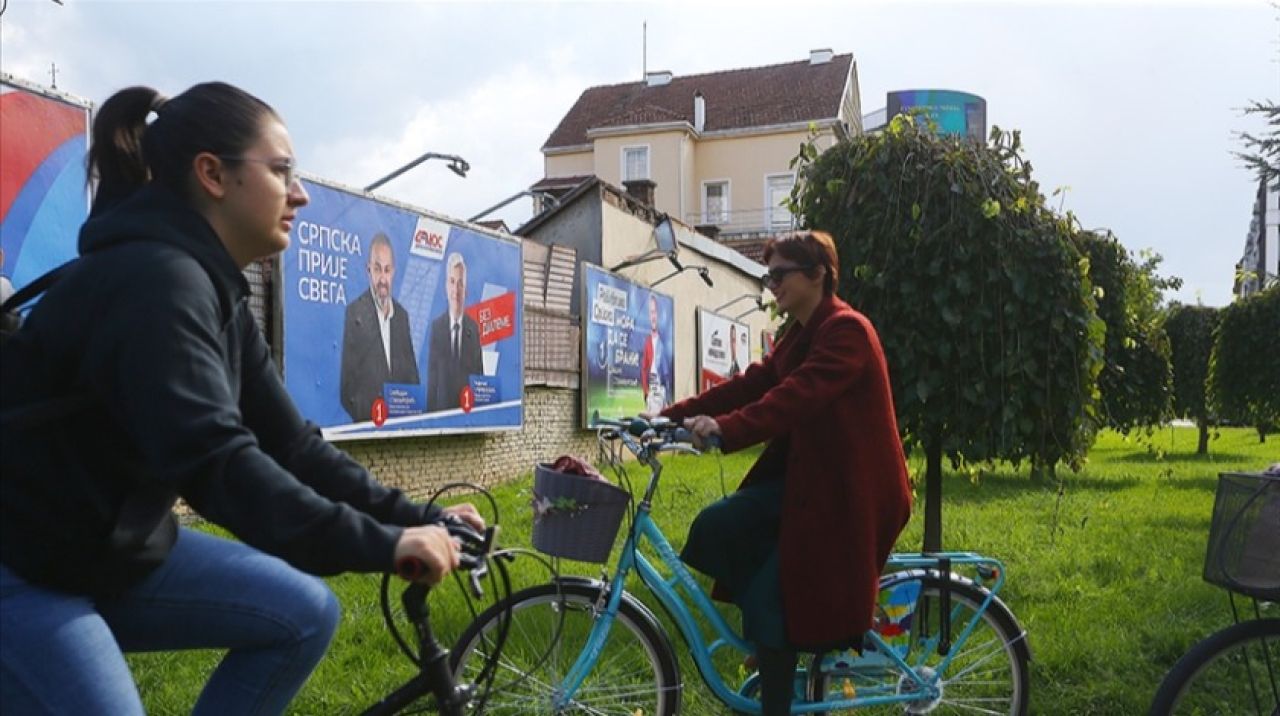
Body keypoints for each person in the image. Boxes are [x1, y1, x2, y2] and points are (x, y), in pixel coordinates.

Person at [0, 82, 482, 715]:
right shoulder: (155, 284)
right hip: (23, 570)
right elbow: (217, 465)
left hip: (101, 554)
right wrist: (379, 544)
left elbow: (291, 447)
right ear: (213, 175)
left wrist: (414, 515)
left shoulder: (211, 289)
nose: (300, 193)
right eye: (282, 170)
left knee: (301, 613)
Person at [660, 230, 913, 716]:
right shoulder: (800, 333)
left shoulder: (847, 331)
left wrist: (725, 429)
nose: (770, 282)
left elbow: (794, 398)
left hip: (849, 494)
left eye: (779, 274)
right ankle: (776, 638)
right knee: (718, 527)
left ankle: (777, 663)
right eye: (767, 274)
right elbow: (751, 385)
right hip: (808, 482)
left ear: (818, 275)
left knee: (775, 597)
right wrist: (667, 417)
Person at [339, 232, 420, 422]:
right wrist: (368, 421)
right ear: (369, 270)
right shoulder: (355, 312)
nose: (382, 279)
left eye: (387, 270)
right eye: (377, 269)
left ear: (393, 272)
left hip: (400, 426)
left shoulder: (402, 317)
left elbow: (413, 380)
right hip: (369, 426)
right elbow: (346, 388)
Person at [426, 251, 482, 413]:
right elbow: (432, 381)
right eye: (452, 282)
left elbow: (479, 376)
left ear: (466, 290)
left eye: (460, 283)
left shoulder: (473, 329)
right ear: (446, 286)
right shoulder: (437, 328)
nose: (456, 290)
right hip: (442, 415)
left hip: (468, 412)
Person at [640, 294, 667, 414]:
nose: (653, 316)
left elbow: (667, 374)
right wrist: (646, 392)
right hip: (651, 392)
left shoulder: (664, 343)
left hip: (661, 391)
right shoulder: (646, 342)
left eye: (655, 312)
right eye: (651, 312)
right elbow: (644, 369)